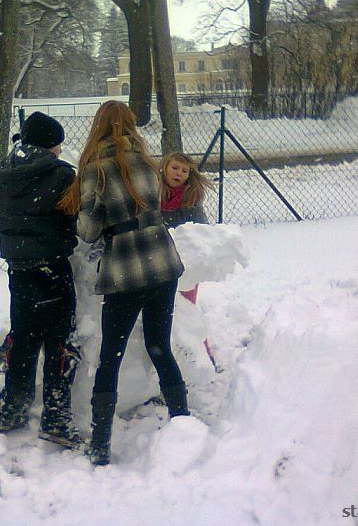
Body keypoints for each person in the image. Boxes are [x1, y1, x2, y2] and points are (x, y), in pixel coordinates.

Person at [58, 100, 189, 466]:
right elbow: (156, 205)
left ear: (97, 127)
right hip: (162, 262)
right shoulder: (150, 163)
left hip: (125, 271)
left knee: (110, 357)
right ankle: (183, 423)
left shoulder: (95, 170)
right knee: (159, 345)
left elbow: (87, 231)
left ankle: (100, 444)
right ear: (131, 125)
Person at [0, 111, 81, 449]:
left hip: (19, 266)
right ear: (49, 145)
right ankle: (56, 417)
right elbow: (75, 218)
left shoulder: (5, 171)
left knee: (24, 335)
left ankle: (12, 407)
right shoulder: (61, 174)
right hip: (53, 266)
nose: (60, 151)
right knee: (60, 338)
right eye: (57, 145)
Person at [159, 151, 214, 304]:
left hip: (183, 256)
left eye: (184, 171)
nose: (179, 173)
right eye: (175, 168)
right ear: (164, 168)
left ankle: (187, 315)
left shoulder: (191, 197)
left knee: (184, 300)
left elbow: (201, 227)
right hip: (157, 251)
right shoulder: (151, 192)